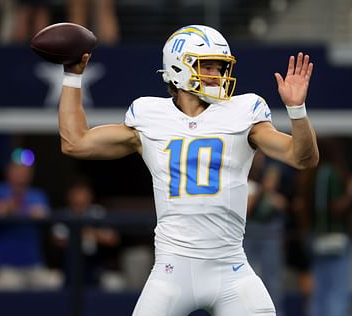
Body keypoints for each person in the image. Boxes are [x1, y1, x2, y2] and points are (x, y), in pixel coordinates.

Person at [57, 25, 319, 315]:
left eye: (220, 67)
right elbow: (75, 142)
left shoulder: (244, 112)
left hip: (230, 268)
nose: (217, 75)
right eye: (208, 66)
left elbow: (302, 158)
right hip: (172, 270)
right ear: (178, 67)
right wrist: (72, 76)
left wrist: (297, 111)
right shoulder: (150, 115)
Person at [294, 137, 352, 316]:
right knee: (338, 293)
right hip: (335, 238)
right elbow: (336, 207)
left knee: (319, 292)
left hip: (315, 238)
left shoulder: (311, 174)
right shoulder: (331, 173)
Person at [0, 149, 60, 289]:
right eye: (17, 169)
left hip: (34, 264)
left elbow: (47, 215)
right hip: (7, 266)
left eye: (25, 170)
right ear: (9, 170)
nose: (21, 173)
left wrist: (38, 214)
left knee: (53, 286)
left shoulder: (37, 195)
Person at [51, 177, 121, 287]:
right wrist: (80, 233)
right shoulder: (64, 215)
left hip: (96, 266)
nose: (80, 198)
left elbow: (112, 239)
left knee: (116, 283)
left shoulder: (98, 212)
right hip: (68, 267)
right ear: (69, 195)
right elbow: (58, 240)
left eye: (83, 193)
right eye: (76, 193)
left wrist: (93, 233)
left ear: (90, 195)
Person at [245, 158, 289, 315]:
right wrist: (261, 191)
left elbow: (283, 203)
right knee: (248, 279)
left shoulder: (273, 165)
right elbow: (247, 209)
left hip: (270, 234)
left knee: (273, 281)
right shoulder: (243, 168)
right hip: (248, 233)